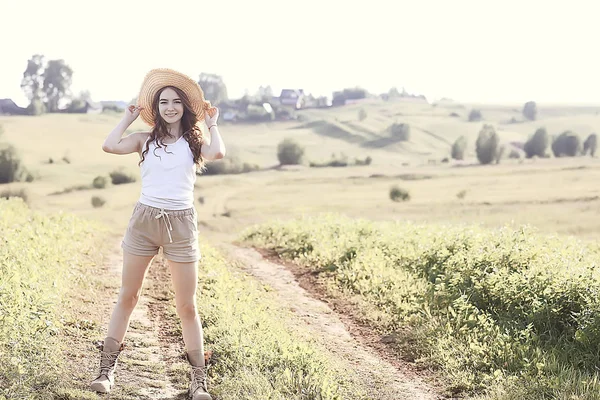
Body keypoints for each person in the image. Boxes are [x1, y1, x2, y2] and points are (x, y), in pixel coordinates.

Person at [90, 68, 225, 400]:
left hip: (181, 224)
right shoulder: (144, 140)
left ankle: (198, 381)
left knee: (187, 306)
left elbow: (217, 152)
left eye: (176, 102)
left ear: (184, 107)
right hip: (144, 221)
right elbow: (109, 145)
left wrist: (212, 123)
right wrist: (127, 118)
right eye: (163, 102)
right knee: (128, 296)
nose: (170, 107)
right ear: (156, 107)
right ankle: (106, 371)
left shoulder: (194, 142)